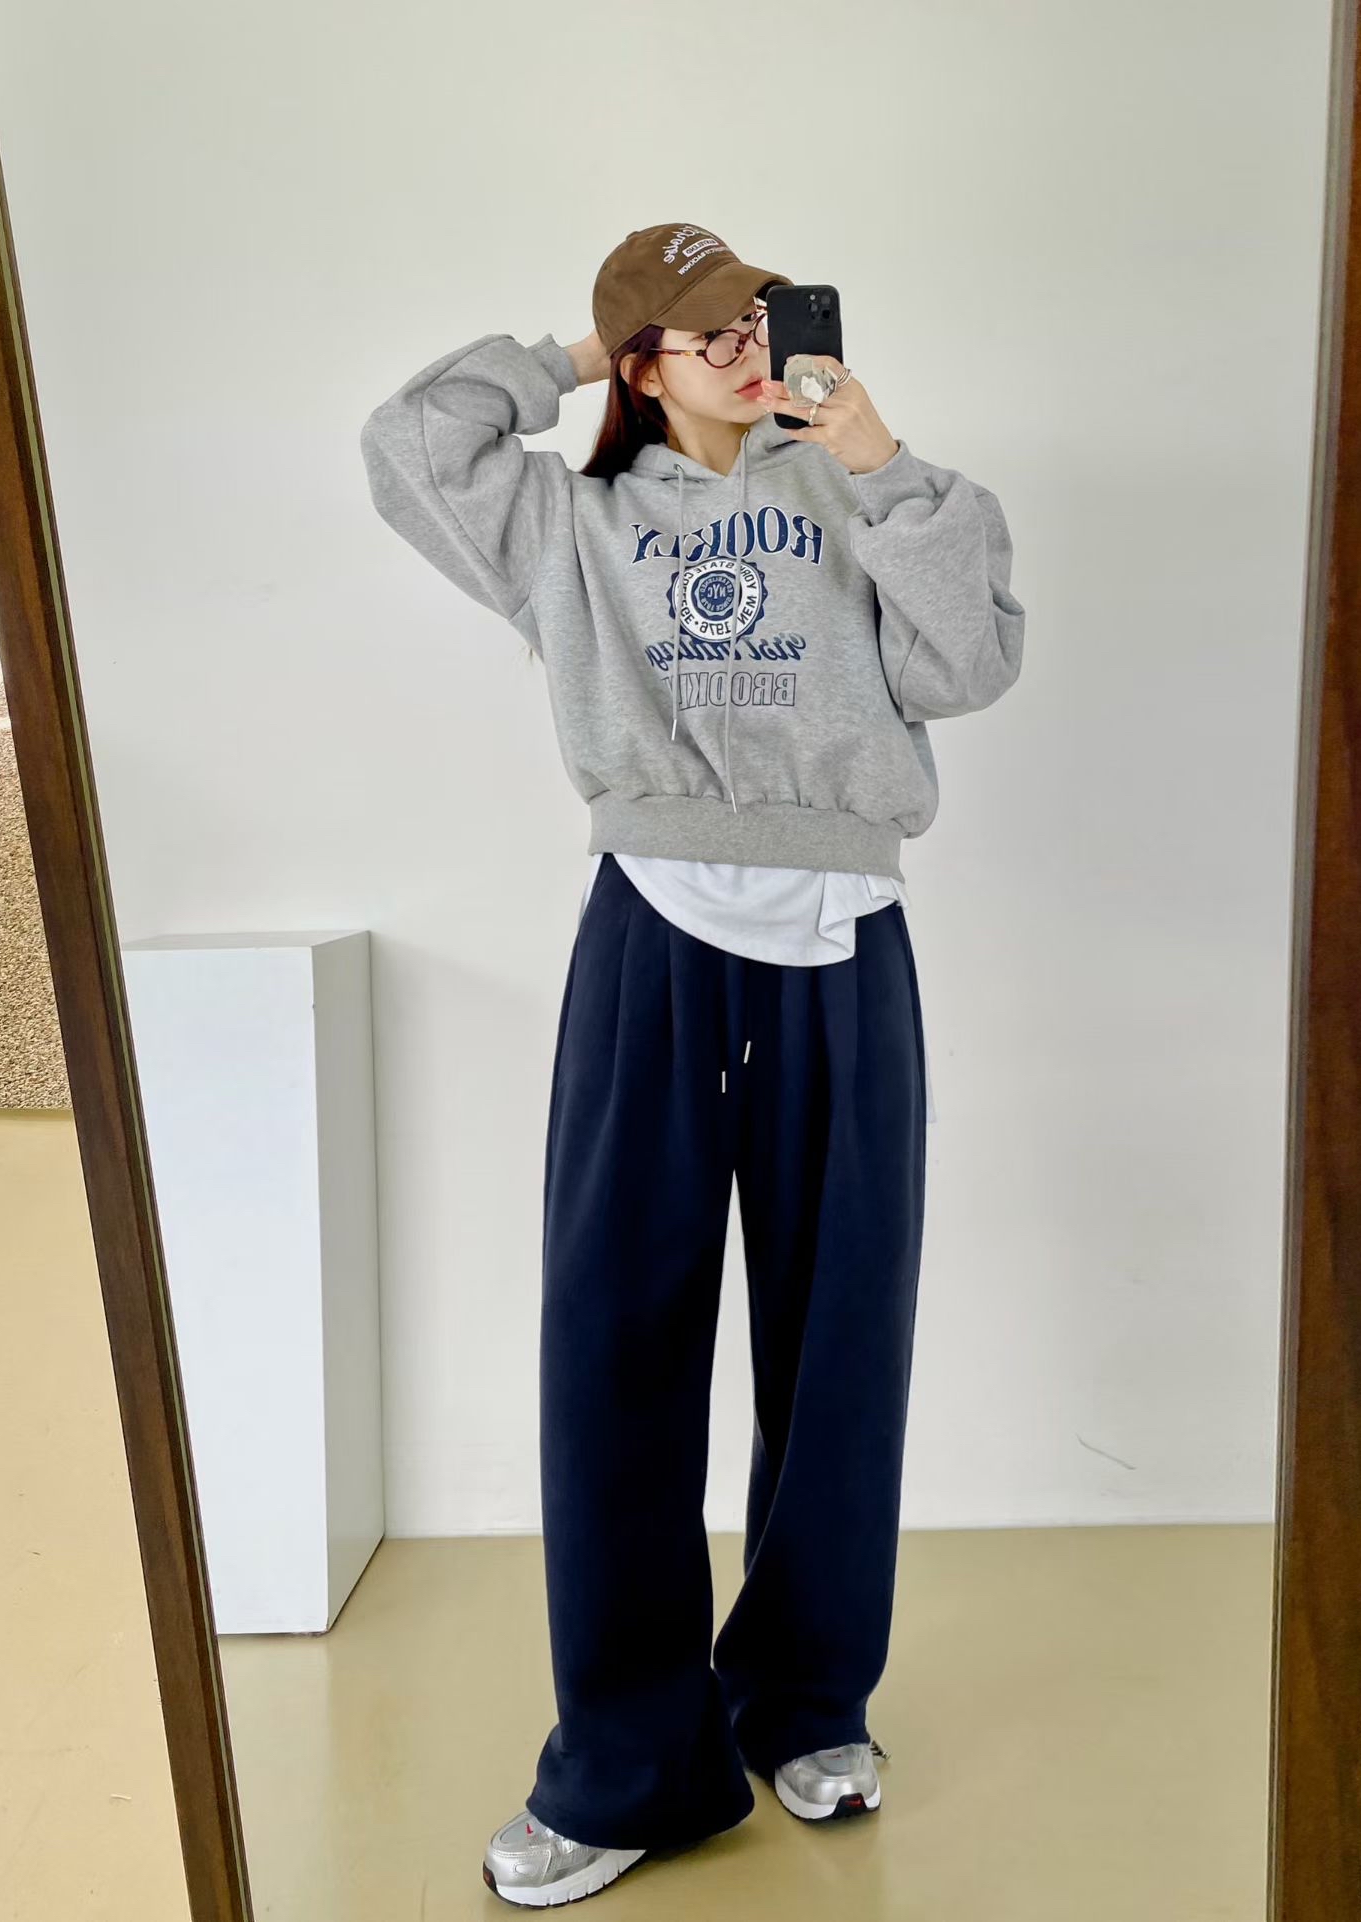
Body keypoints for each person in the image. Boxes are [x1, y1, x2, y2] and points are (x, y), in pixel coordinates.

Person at [360, 220, 1025, 1907]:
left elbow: (971, 663)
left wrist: (880, 460)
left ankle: (806, 1699)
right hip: (651, 934)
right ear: (647, 362)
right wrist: (586, 351)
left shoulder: (853, 493)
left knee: (841, 1336)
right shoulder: (567, 521)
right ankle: (629, 1758)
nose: (742, 342)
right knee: (616, 1338)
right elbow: (410, 441)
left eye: (753, 315)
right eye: (701, 327)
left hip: (846, 938)